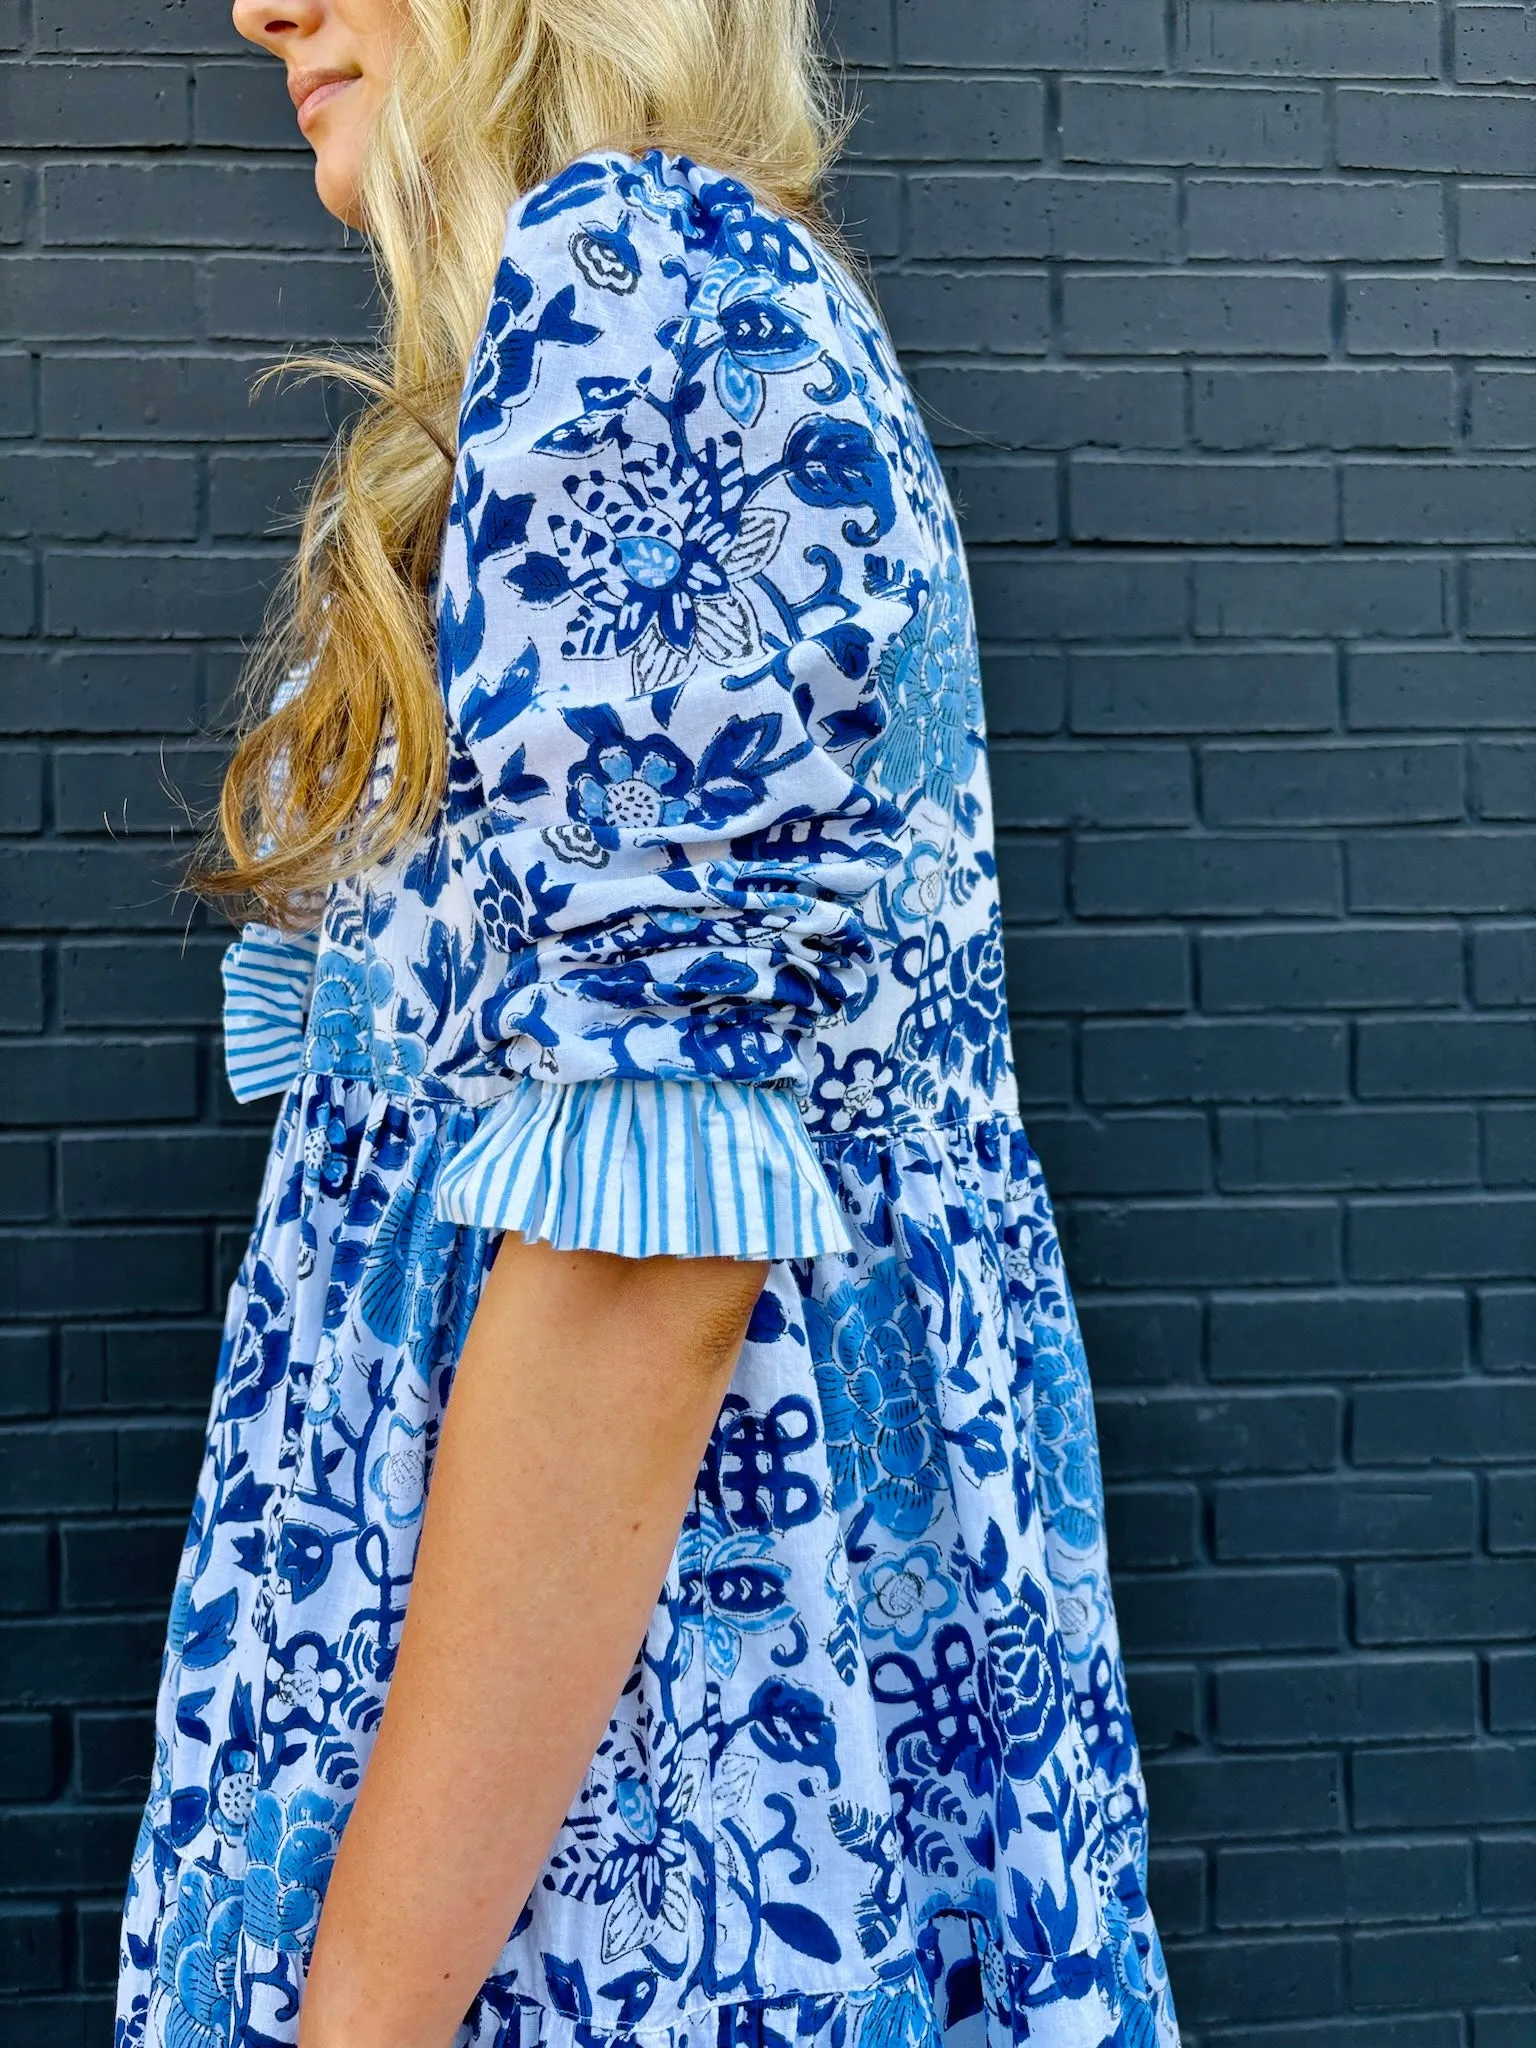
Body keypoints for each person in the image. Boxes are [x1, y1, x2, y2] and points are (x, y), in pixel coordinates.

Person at [113, 4, 1179, 2045]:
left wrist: (359, 2011)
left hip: (636, 1835)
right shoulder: (636, 310)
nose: (255, 2)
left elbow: (638, 1256)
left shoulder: (643, 287)